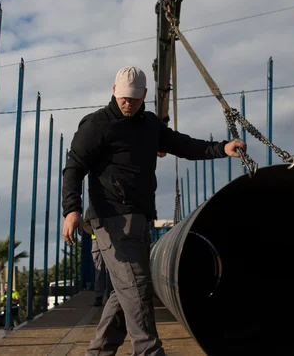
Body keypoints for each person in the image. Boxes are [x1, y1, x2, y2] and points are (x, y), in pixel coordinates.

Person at [61, 66, 246, 355]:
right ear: (113, 91)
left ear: (144, 95)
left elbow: (183, 145)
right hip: (111, 221)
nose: (127, 103)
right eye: (123, 97)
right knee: (138, 290)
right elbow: (73, 169)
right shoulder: (96, 125)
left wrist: (222, 148)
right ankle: (149, 351)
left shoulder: (149, 125)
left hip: (140, 219)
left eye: (133, 99)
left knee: (126, 293)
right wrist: (71, 210)